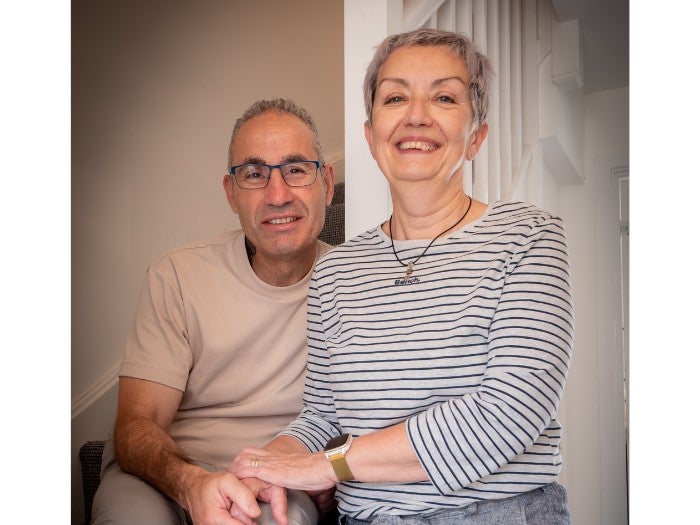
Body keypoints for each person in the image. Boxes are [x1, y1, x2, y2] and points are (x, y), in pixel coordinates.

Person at [230, 28, 574, 524]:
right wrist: (265, 464)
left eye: (444, 96)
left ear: (476, 135)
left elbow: (509, 411)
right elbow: (323, 415)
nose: (416, 115)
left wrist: (330, 466)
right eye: (395, 97)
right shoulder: (335, 272)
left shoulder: (528, 238)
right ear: (371, 136)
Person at [91, 98, 338, 525]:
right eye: (255, 174)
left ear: (327, 183)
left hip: (275, 476)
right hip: (162, 473)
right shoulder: (177, 275)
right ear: (231, 193)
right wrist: (191, 484)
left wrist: (328, 467)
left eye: (296, 170)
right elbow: (136, 426)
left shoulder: (358, 285)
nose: (278, 195)